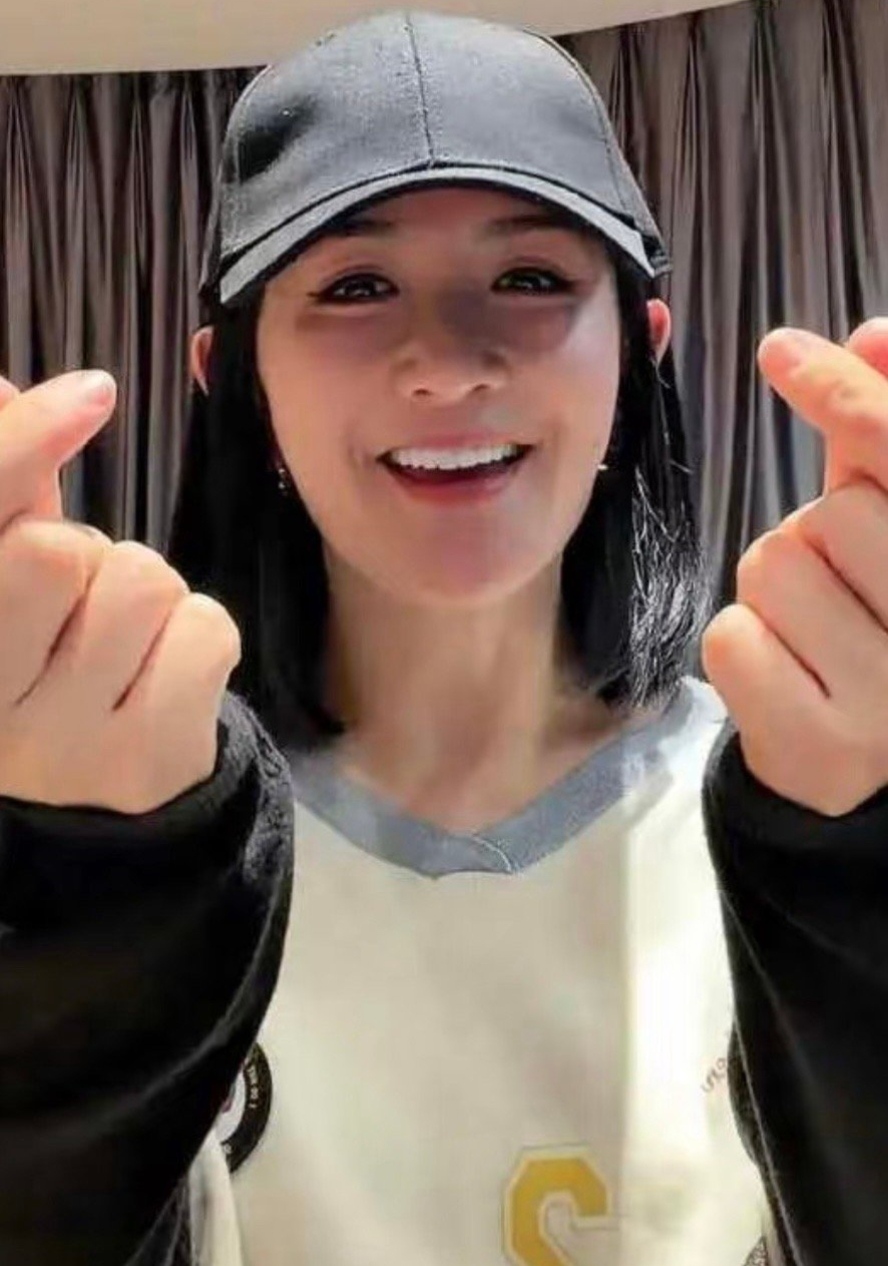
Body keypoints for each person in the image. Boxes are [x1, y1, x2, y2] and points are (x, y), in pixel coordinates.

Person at [2, 10, 888, 1266]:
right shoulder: (127, 836)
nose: (447, 366)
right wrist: (75, 907)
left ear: (638, 353)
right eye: (356, 286)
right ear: (235, 377)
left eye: (529, 279)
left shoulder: (803, 816)